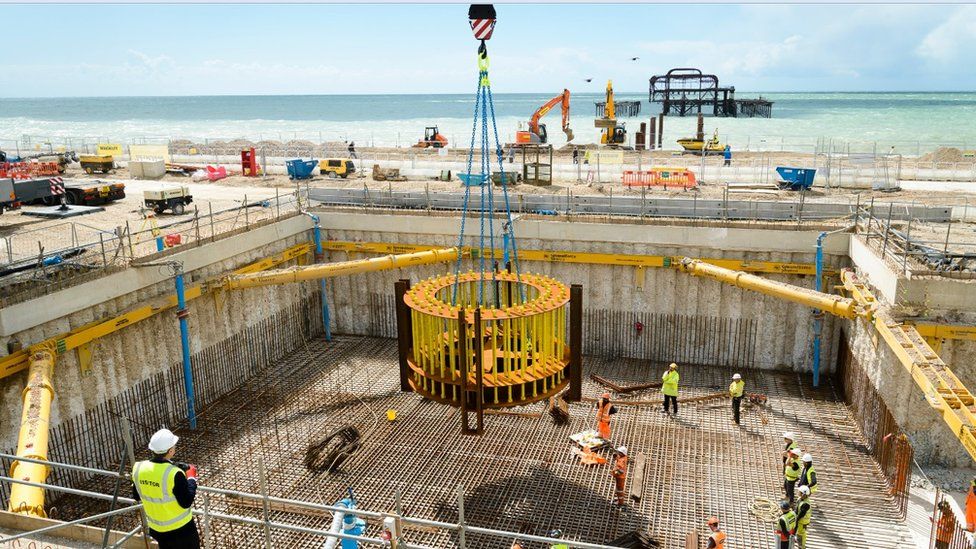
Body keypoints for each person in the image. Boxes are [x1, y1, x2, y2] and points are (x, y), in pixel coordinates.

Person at [132, 428, 200, 549]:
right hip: (181, 530)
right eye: (174, 446)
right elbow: (186, 501)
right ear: (170, 451)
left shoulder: (139, 468)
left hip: (157, 529)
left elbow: (137, 495)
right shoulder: (174, 473)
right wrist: (191, 479)